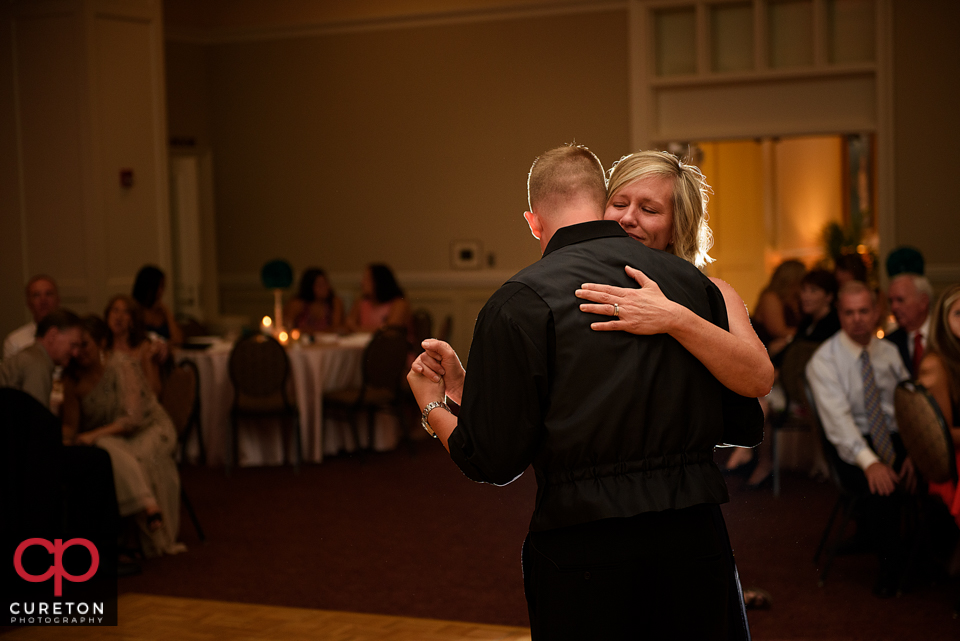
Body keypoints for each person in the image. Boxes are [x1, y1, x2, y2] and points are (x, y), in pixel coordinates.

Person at [408, 145, 759, 639]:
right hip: (694, 537)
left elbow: (493, 458)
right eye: (624, 204)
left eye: (650, 208)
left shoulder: (519, 301)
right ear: (601, 205)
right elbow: (739, 421)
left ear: (534, 222)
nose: (631, 218)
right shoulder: (697, 287)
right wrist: (470, 389)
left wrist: (431, 405)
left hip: (586, 545)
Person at [806, 281, 913, 596]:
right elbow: (839, 424)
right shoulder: (824, 361)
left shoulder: (889, 352)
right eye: (849, 312)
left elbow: (910, 407)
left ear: (876, 311)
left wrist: (915, 453)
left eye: (864, 311)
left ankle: (930, 554)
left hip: (893, 434)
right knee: (885, 486)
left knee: (928, 472)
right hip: (850, 444)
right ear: (839, 314)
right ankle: (891, 571)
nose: (857, 319)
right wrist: (870, 464)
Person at [62, 315, 183, 558]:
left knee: (131, 454)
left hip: (149, 428)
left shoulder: (121, 365)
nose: (78, 352)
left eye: (84, 345)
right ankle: (147, 506)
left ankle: (137, 536)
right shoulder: (72, 378)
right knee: (104, 447)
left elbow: (132, 419)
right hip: (112, 436)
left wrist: (92, 434)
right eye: (73, 346)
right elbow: (71, 425)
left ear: (101, 342)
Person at [917, 284, 960, 528]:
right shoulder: (936, 365)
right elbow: (942, 435)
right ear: (943, 320)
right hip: (951, 460)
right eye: (959, 314)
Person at [0, 309, 82, 408]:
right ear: (53, 335)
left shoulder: (34, 357)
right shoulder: (37, 364)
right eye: (73, 345)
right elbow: (35, 419)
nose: (76, 353)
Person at [104, 294, 164, 396]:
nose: (119, 317)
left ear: (132, 320)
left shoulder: (144, 348)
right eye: (115, 310)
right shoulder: (101, 347)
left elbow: (155, 391)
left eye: (126, 312)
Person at [886, 273, 933, 377]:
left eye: (900, 300)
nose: (894, 307)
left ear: (923, 301)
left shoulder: (945, 333)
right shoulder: (889, 343)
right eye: (891, 301)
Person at [3, 274, 60, 360]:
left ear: (58, 299)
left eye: (48, 294)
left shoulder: (73, 337)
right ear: (29, 303)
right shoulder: (15, 341)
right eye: (36, 295)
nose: (43, 300)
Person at [345, 264, 411, 333]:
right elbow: (349, 325)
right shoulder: (361, 302)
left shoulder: (398, 303)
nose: (362, 283)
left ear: (380, 281)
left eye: (367, 279)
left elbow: (390, 330)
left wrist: (357, 329)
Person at [132, 265, 183, 346]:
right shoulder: (134, 311)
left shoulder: (162, 311)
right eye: (161, 286)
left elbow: (178, 340)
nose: (162, 291)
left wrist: (166, 311)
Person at [284, 268, 345, 333]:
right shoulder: (297, 304)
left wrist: (314, 331)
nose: (325, 288)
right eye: (320, 285)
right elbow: (287, 327)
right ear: (309, 287)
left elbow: (336, 328)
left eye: (326, 283)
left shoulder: (334, 302)